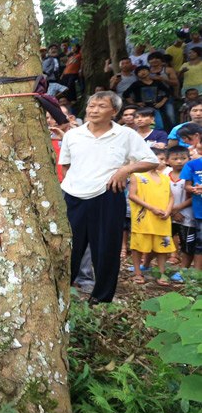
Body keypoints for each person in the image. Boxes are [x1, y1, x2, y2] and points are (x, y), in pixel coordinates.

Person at [59, 91, 159, 305]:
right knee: (69, 247)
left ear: (114, 111)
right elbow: (66, 166)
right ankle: (62, 295)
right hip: (74, 197)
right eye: (91, 105)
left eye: (101, 106)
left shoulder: (126, 135)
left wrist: (126, 170)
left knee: (106, 248)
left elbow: (151, 161)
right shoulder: (72, 135)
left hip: (107, 195)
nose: (94, 110)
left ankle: (101, 298)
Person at [128, 159, 175, 285]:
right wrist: (151, 208)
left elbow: (171, 196)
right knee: (138, 246)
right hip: (143, 218)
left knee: (162, 248)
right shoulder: (137, 176)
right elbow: (132, 195)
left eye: (163, 159)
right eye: (158, 158)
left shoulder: (165, 178)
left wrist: (168, 210)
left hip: (162, 218)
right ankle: (138, 273)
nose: (162, 161)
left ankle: (162, 273)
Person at [166, 146, 194, 279]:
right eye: (175, 158)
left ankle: (183, 271)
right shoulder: (164, 176)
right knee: (162, 240)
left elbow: (194, 197)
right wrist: (172, 211)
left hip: (187, 217)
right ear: (167, 160)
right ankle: (151, 264)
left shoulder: (192, 176)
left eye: (183, 158)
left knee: (187, 245)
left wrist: (178, 208)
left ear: (189, 159)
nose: (179, 161)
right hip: (168, 215)